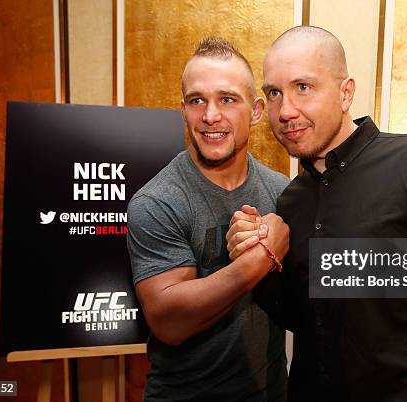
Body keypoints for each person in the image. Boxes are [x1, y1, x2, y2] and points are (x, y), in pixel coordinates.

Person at [226, 26, 407, 402]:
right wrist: (257, 258)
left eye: (303, 87)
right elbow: (303, 320)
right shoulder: (292, 200)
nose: (286, 111)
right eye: (275, 93)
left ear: (346, 93)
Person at [126, 38, 290, 402]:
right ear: (183, 110)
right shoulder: (157, 201)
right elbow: (169, 323)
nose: (210, 115)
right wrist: (261, 256)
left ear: (257, 110)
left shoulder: (284, 192)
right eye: (196, 100)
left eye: (227, 99)